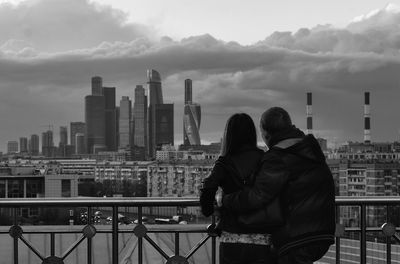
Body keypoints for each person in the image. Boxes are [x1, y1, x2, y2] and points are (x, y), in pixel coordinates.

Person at [220, 107, 335, 264]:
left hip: (297, 237)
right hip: (322, 233)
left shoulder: (277, 158)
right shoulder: (310, 149)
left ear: (266, 133)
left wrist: (225, 200)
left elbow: (257, 196)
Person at [200, 113, 277, 264]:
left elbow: (208, 188)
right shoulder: (265, 159)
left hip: (231, 237)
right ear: (252, 134)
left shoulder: (224, 163)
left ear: (229, 135)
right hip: (262, 238)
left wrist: (210, 209)